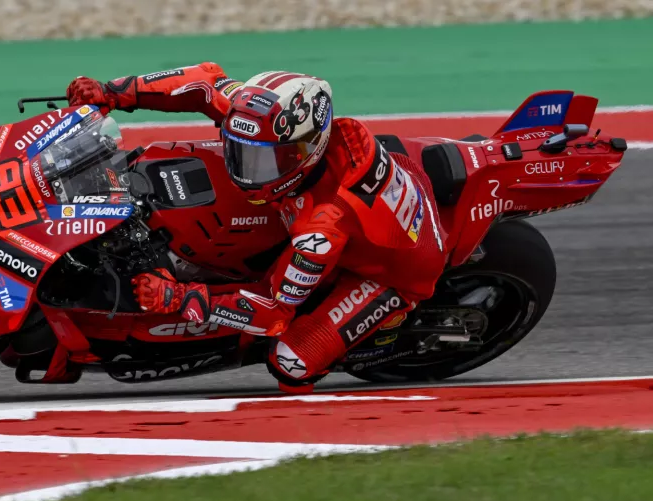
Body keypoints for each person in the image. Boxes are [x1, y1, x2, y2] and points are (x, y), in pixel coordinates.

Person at [66, 63, 448, 393]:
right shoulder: (273, 124)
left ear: (306, 149)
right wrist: (110, 92)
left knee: (290, 365)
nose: (249, 169)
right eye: (242, 152)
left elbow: (271, 312)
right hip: (387, 197)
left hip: (393, 273)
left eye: (265, 160)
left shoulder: (321, 230)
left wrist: (180, 298)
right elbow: (203, 81)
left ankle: (375, 332)